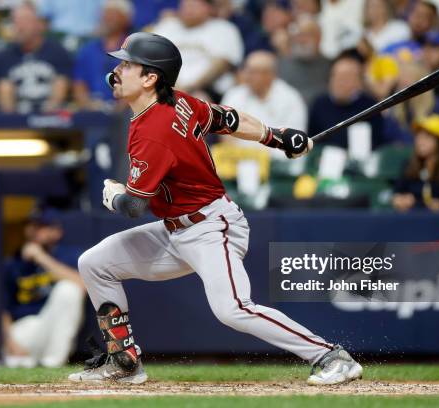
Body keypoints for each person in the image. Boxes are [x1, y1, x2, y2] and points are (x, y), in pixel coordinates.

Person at [68, 32, 362, 385]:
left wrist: (112, 195)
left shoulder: (154, 130)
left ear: (150, 78)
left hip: (210, 227)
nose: (118, 70)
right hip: (175, 229)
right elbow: (229, 119)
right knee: (94, 263)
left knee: (233, 309)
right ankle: (125, 362)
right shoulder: (177, 101)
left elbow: (132, 207)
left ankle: (331, 356)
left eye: (128, 64)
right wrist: (277, 136)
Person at [2, 209, 85, 368]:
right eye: (32, 225)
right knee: (25, 332)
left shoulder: (68, 255)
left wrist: (41, 258)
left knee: (69, 289)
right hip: (27, 327)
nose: (34, 230)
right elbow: (2, 309)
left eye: (42, 226)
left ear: (57, 232)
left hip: (55, 324)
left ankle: (52, 363)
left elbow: (83, 285)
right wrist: (9, 342)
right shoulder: (13, 263)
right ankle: (22, 360)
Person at [152, 0, 243, 101]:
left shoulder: (224, 28)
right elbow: (152, 60)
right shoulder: (167, 26)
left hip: (207, 89)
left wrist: (190, 87)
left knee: (199, 100)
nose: (188, 9)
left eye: (193, 5)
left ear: (208, 8)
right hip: (166, 86)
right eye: (185, 5)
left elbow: (221, 64)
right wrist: (174, 85)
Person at [0, 1, 72, 113]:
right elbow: (4, 89)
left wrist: (44, 118)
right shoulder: (6, 54)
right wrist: (13, 120)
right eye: (15, 21)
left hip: (49, 116)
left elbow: (61, 84)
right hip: (17, 117)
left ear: (38, 24)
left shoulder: (57, 51)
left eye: (24, 21)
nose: (19, 27)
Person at [308, 53, 385, 149]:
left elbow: (378, 145)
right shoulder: (319, 104)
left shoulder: (371, 107)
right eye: (335, 76)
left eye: (345, 77)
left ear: (359, 82)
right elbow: (310, 142)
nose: (339, 81)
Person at [221, 50, 307, 136]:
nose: (247, 77)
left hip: (275, 148)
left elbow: (294, 139)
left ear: (269, 75)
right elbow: (225, 133)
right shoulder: (234, 95)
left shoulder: (291, 99)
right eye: (247, 71)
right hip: (238, 149)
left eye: (253, 72)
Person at [393, 114, 439, 212]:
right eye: (418, 136)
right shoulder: (408, 166)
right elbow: (398, 193)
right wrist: (401, 200)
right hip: (412, 219)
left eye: (427, 137)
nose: (420, 141)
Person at [73, 0, 133, 111]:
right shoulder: (88, 49)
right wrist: (88, 104)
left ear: (125, 19)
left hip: (125, 112)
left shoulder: (134, 49)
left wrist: (119, 108)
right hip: (92, 109)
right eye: (105, 14)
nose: (107, 18)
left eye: (113, 14)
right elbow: (79, 84)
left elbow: (139, 86)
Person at [278, 16, 330, 104]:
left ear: (319, 37)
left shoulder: (330, 66)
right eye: (298, 35)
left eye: (306, 35)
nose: (301, 40)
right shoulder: (282, 64)